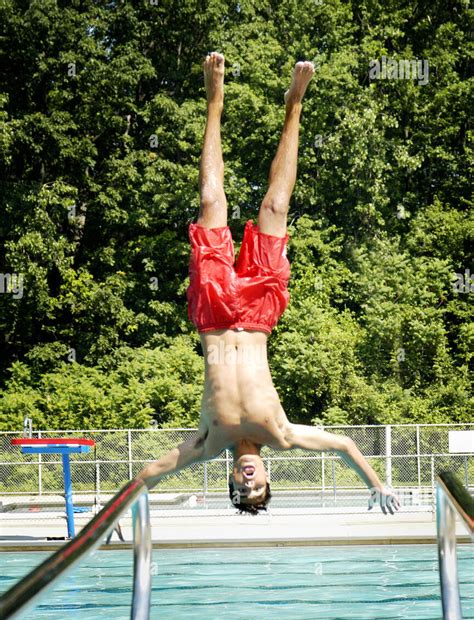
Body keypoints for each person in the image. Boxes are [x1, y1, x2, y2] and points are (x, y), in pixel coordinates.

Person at [139, 52, 400, 516]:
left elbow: (148, 475)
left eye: (241, 492)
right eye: (257, 489)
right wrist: (378, 484)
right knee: (276, 208)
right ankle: (295, 103)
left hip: (215, 313)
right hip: (258, 316)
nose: (249, 483)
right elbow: (342, 445)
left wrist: (121, 510)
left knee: (209, 200)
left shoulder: (207, 442)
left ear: (231, 481)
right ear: (267, 476)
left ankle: (214, 99)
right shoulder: (281, 433)